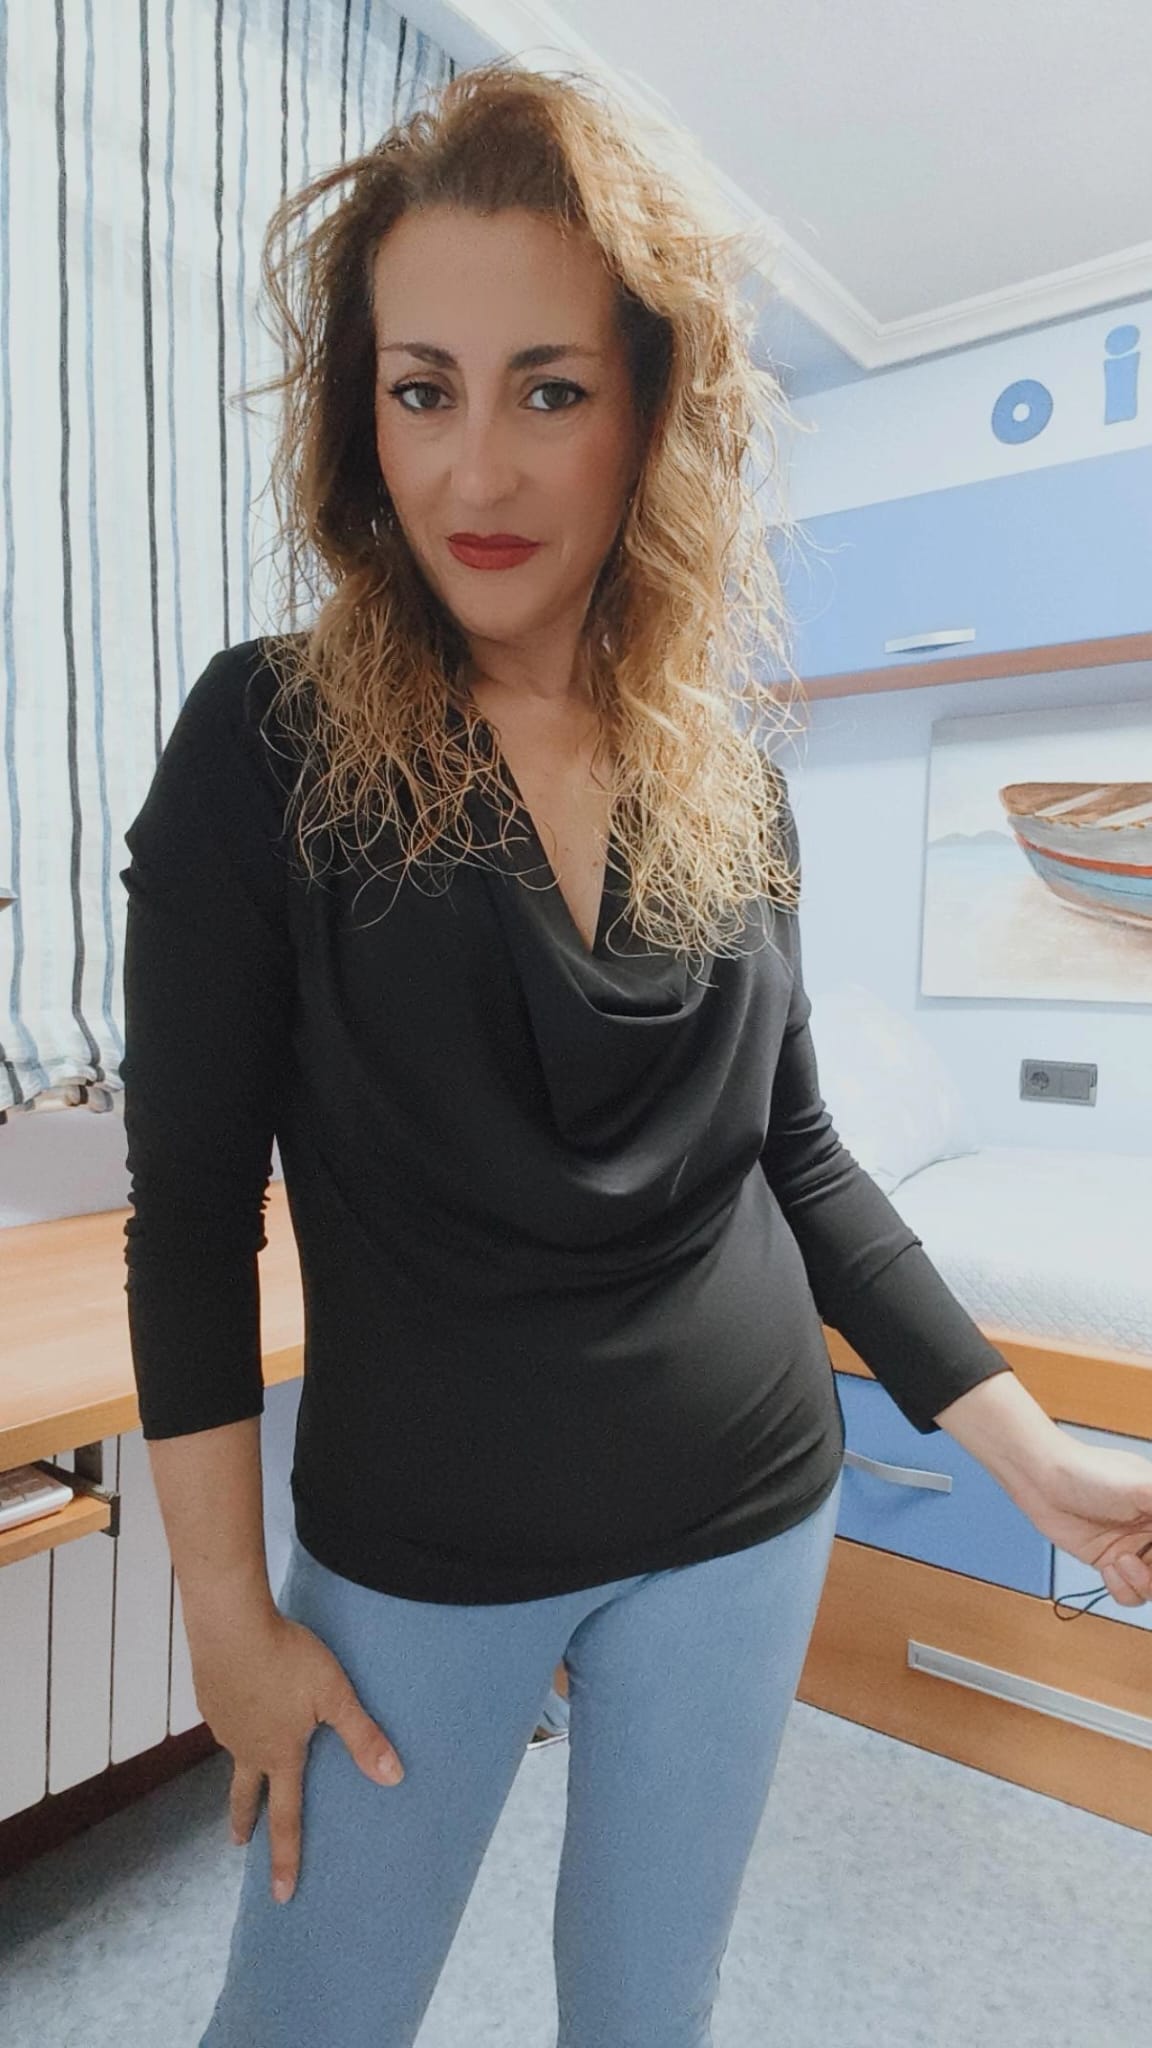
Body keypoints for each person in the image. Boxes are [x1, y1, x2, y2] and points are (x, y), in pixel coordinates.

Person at [119, 60, 1152, 2048]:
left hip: (747, 1507)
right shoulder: (269, 741)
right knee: (306, 2019)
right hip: (424, 1546)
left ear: (650, 409)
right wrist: (229, 1620)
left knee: (645, 2012)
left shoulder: (730, 780)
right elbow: (189, 1220)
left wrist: (1029, 1456)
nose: (476, 473)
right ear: (362, 415)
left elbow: (803, 1159)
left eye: (549, 389)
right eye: (423, 389)